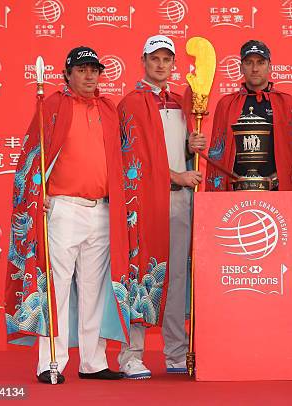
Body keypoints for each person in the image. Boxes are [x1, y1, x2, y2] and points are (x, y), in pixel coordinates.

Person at [5, 46, 128, 384]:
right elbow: (33, 155)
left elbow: (123, 161)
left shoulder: (108, 109)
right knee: (56, 287)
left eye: (94, 70)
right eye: (82, 70)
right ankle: (51, 362)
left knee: (95, 289)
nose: (90, 76)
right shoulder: (54, 105)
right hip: (63, 209)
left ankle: (93, 362)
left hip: (101, 209)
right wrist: (36, 193)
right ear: (68, 73)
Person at [116, 35, 205, 379]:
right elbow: (134, 159)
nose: (161, 64)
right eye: (154, 58)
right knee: (142, 274)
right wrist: (175, 176)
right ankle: (131, 355)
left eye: (167, 59)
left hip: (180, 201)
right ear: (143, 61)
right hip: (144, 202)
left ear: (173, 65)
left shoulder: (183, 102)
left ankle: (175, 353)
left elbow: (181, 152)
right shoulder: (131, 104)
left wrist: (191, 146)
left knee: (177, 277)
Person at [205, 39, 292, 194]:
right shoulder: (226, 104)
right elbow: (218, 156)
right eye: (249, 62)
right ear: (241, 67)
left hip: (278, 190)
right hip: (236, 190)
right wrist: (236, 179)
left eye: (260, 62)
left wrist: (274, 180)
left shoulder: (287, 102)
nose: (254, 68)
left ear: (270, 66)